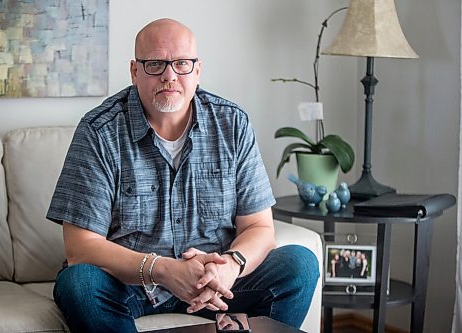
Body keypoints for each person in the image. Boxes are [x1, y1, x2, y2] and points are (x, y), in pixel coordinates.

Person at [47, 18, 319, 333]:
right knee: (78, 282)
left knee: (300, 264)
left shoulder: (233, 124)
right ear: (135, 71)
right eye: (155, 65)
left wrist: (230, 266)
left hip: (215, 280)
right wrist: (162, 269)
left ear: (197, 69)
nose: (169, 76)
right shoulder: (99, 132)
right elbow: (80, 246)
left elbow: (259, 227)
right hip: (131, 284)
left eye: (181, 64)